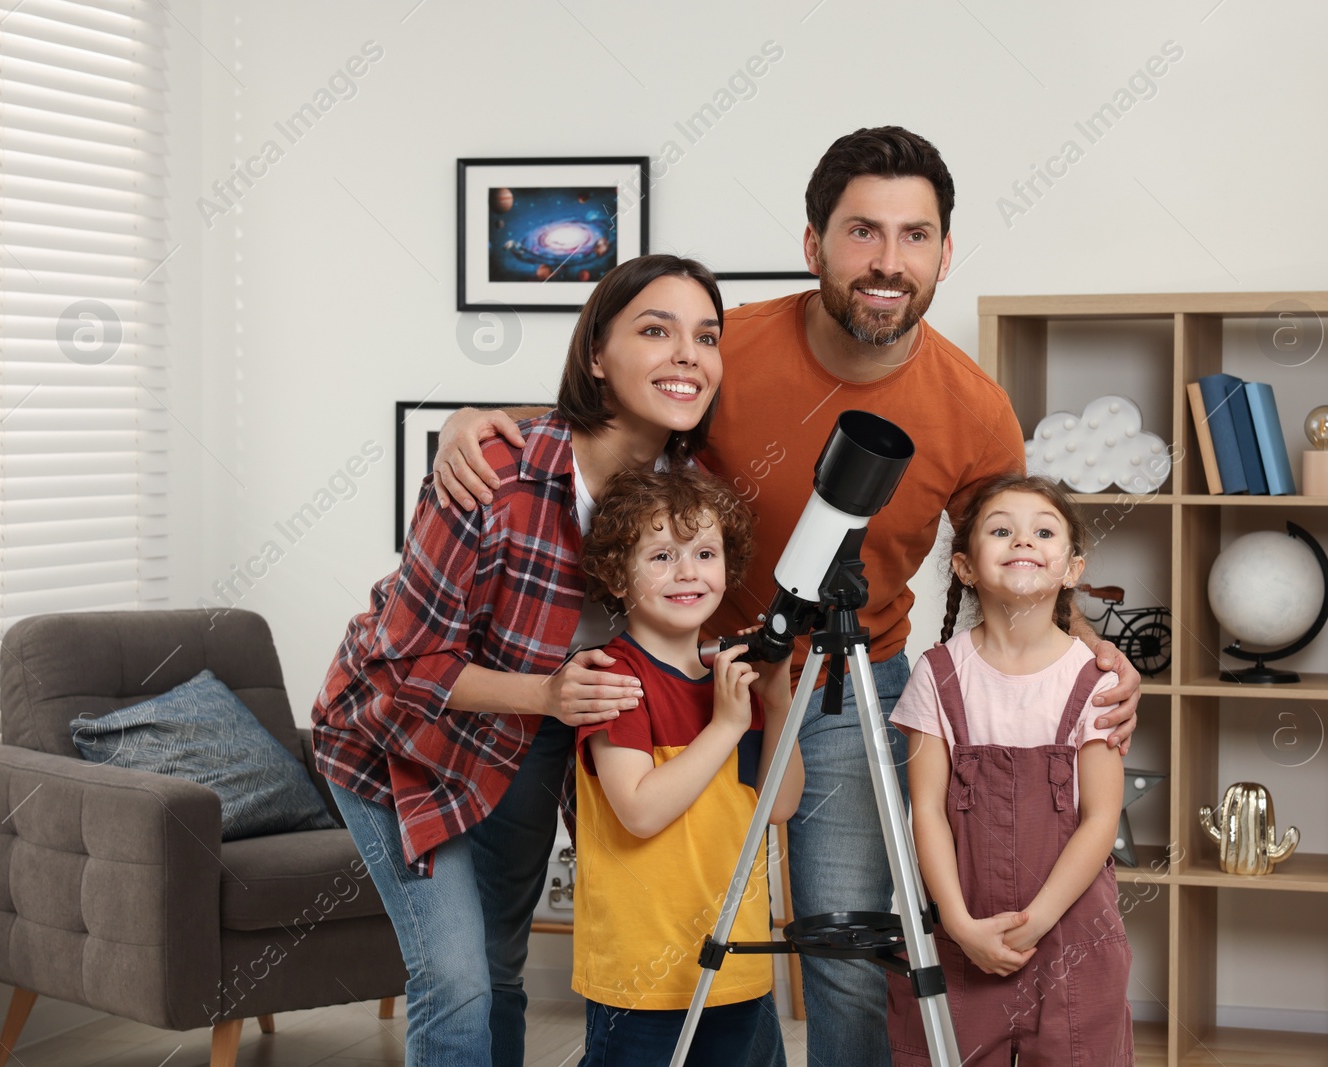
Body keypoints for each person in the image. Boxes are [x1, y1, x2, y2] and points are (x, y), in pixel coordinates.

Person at [430, 127, 1142, 1066]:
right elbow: (616, 423)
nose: (889, 262)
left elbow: (1011, 559)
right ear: (814, 245)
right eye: (863, 232)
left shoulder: (974, 409)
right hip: (704, 675)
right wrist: (479, 422)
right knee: (687, 925)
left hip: (854, 687)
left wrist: (1088, 644)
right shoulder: (733, 350)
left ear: (944, 252)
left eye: (915, 236)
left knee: (843, 943)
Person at [311, 254, 744, 1067]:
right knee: (459, 980)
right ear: (595, 354)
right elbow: (403, 664)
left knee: (501, 961)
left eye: (706, 336)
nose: (688, 353)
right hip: (396, 742)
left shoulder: (684, 487)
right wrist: (548, 692)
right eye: (656, 330)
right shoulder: (493, 478)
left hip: (538, 728)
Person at [886, 473, 1133, 1065]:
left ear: (1071, 568)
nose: (1023, 541)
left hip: (1072, 936)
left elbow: (1101, 819)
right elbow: (925, 811)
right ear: (966, 567)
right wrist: (960, 924)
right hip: (960, 931)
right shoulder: (937, 674)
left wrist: (1038, 920)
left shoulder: (1095, 681)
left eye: (1043, 532)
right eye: (1002, 531)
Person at [571, 466, 803, 1066]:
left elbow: (779, 805)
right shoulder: (614, 677)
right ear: (617, 578)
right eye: (661, 556)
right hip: (642, 972)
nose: (687, 572)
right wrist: (726, 727)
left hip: (735, 955)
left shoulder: (734, 681)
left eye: (704, 552)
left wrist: (774, 707)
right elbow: (641, 811)